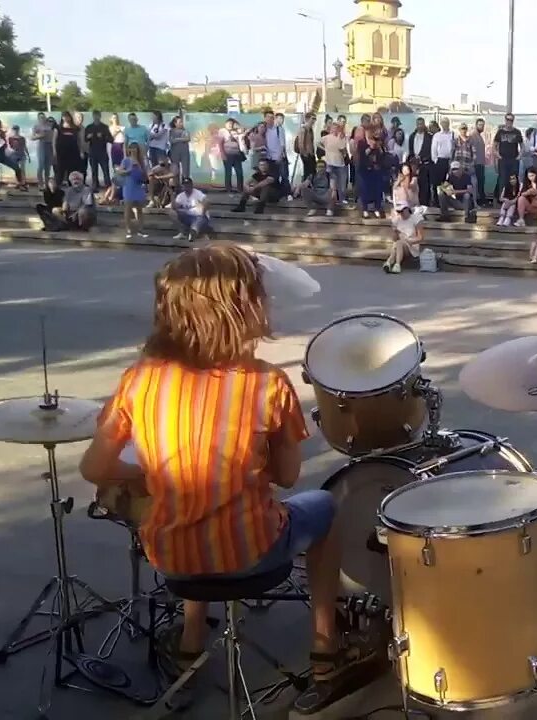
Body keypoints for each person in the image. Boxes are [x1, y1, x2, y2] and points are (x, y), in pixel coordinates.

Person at [79, 244, 374, 716]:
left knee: (196, 504)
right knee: (325, 507)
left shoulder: (140, 380)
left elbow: (94, 469)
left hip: (172, 561)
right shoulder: (267, 384)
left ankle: (192, 640)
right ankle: (325, 645)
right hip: (251, 555)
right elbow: (286, 475)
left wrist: (150, 472)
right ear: (245, 310)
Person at [115, 142, 150, 240]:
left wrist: (139, 168)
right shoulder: (126, 160)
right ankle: (128, 229)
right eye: (131, 149)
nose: (133, 151)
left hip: (138, 186)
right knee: (128, 208)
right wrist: (128, 171)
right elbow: (120, 171)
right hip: (129, 185)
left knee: (139, 209)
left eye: (135, 149)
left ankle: (141, 229)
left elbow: (145, 175)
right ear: (129, 150)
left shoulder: (141, 161)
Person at [384, 201, 425, 274]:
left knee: (399, 243)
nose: (401, 213)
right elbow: (394, 239)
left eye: (402, 211)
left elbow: (420, 237)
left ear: (407, 209)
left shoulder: (416, 218)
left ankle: (390, 262)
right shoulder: (397, 220)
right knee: (398, 243)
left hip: (412, 246)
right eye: (398, 211)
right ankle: (396, 265)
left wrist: (410, 241)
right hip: (399, 244)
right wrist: (395, 231)